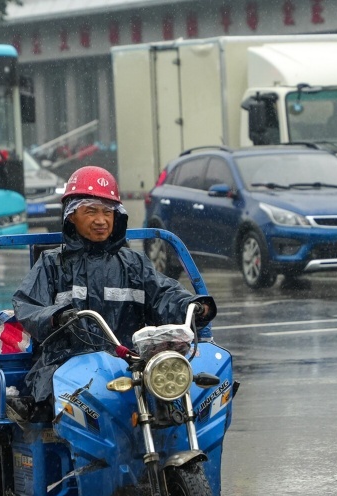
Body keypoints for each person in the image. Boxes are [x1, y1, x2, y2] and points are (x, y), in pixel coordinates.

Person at [11, 165, 216, 415]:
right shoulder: (52, 264)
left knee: (192, 396)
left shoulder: (134, 263)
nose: (101, 220)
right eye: (91, 211)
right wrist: (56, 316)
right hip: (64, 364)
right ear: (71, 216)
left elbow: (164, 294)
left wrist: (193, 306)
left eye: (108, 212)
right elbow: (27, 305)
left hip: (133, 362)